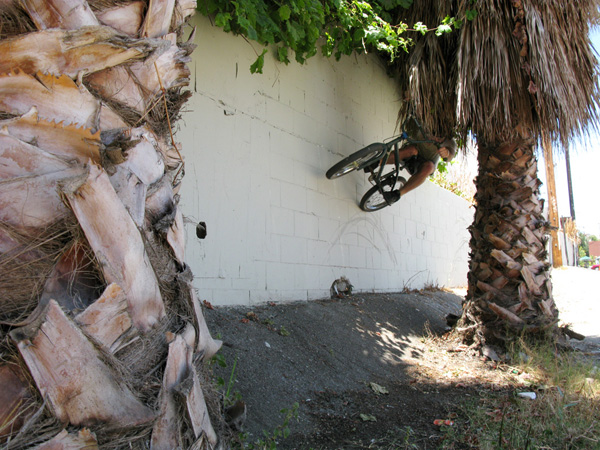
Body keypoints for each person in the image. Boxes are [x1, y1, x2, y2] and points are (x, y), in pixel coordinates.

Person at [365, 118, 456, 203]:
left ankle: (397, 194)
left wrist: (447, 154)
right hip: (410, 154)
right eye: (434, 134)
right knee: (413, 150)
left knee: (430, 167)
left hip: (422, 165)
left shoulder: (449, 142)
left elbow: (450, 155)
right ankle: (377, 162)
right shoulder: (425, 123)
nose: (435, 139)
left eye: (439, 138)